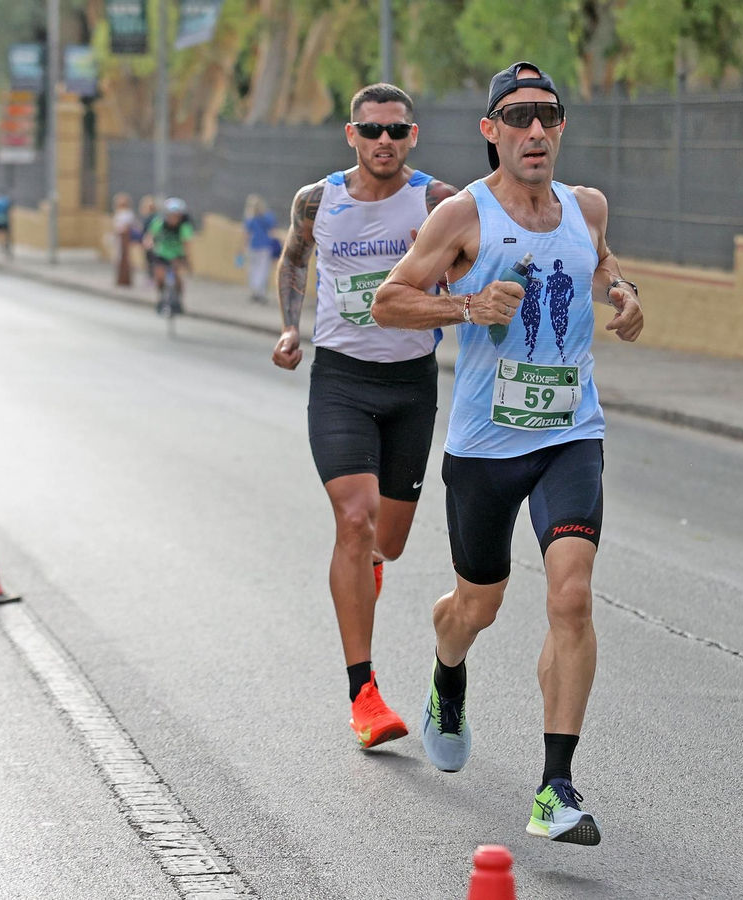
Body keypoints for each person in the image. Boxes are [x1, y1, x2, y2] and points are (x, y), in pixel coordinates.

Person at [372, 61, 644, 846]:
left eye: (548, 117)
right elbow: (391, 300)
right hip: (486, 447)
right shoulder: (463, 215)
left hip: (570, 434)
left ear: (561, 128)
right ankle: (446, 675)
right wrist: (464, 305)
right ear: (491, 130)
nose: (534, 131)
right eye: (517, 118)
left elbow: (599, 262)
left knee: (571, 596)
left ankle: (556, 786)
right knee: (475, 609)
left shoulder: (585, 205)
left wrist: (622, 296)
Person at [272, 83, 458, 751]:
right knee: (354, 520)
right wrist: (289, 329)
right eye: (372, 130)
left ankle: (367, 563)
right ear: (351, 134)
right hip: (342, 381)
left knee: (390, 540)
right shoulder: (318, 200)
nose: (385, 141)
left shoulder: (439, 202)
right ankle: (364, 694)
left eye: (397, 131)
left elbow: (470, 265)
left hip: (411, 385)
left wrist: (449, 273)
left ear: (414, 137)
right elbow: (295, 260)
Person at [143, 197, 195, 312]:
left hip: (177, 254)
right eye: (171, 215)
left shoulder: (184, 227)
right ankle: (161, 298)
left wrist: (187, 261)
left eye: (176, 215)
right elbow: (150, 236)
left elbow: (186, 244)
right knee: (160, 276)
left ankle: (178, 300)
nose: (173, 218)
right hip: (162, 253)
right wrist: (149, 244)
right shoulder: (160, 223)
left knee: (178, 277)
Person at [241, 195, 279, 303]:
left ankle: (255, 291)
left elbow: (246, 234)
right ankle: (260, 292)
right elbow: (272, 231)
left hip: (253, 245)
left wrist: (243, 247)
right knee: (263, 270)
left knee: (253, 269)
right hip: (265, 246)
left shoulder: (250, 218)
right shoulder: (268, 217)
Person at [111, 192, 136, 286]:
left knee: (124, 259)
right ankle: (120, 279)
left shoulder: (127, 214)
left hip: (124, 239)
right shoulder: (118, 213)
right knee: (117, 259)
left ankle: (125, 279)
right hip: (118, 239)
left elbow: (127, 227)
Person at [133, 195, 157, 284]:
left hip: (151, 242)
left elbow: (148, 231)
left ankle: (152, 278)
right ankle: (151, 277)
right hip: (149, 241)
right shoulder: (150, 217)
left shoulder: (152, 218)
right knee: (150, 260)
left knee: (151, 260)